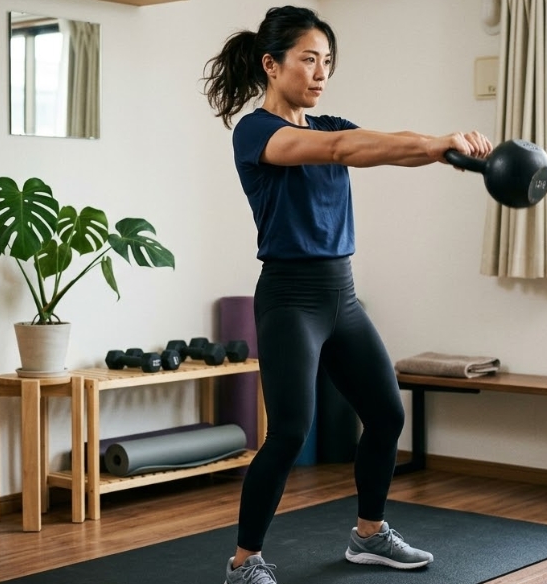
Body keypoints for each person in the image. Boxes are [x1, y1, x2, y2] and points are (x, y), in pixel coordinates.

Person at [203, 6, 493, 584]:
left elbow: (375, 145)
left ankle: (369, 535)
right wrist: (435, 142)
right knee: (289, 430)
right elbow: (342, 150)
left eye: (327, 62)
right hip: (290, 300)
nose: (319, 73)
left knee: (385, 415)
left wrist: (448, 152)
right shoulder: (256, 132)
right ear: (271, 63)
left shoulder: (329, 122)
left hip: (343, 296)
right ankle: (243, 562)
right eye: (308, 59)